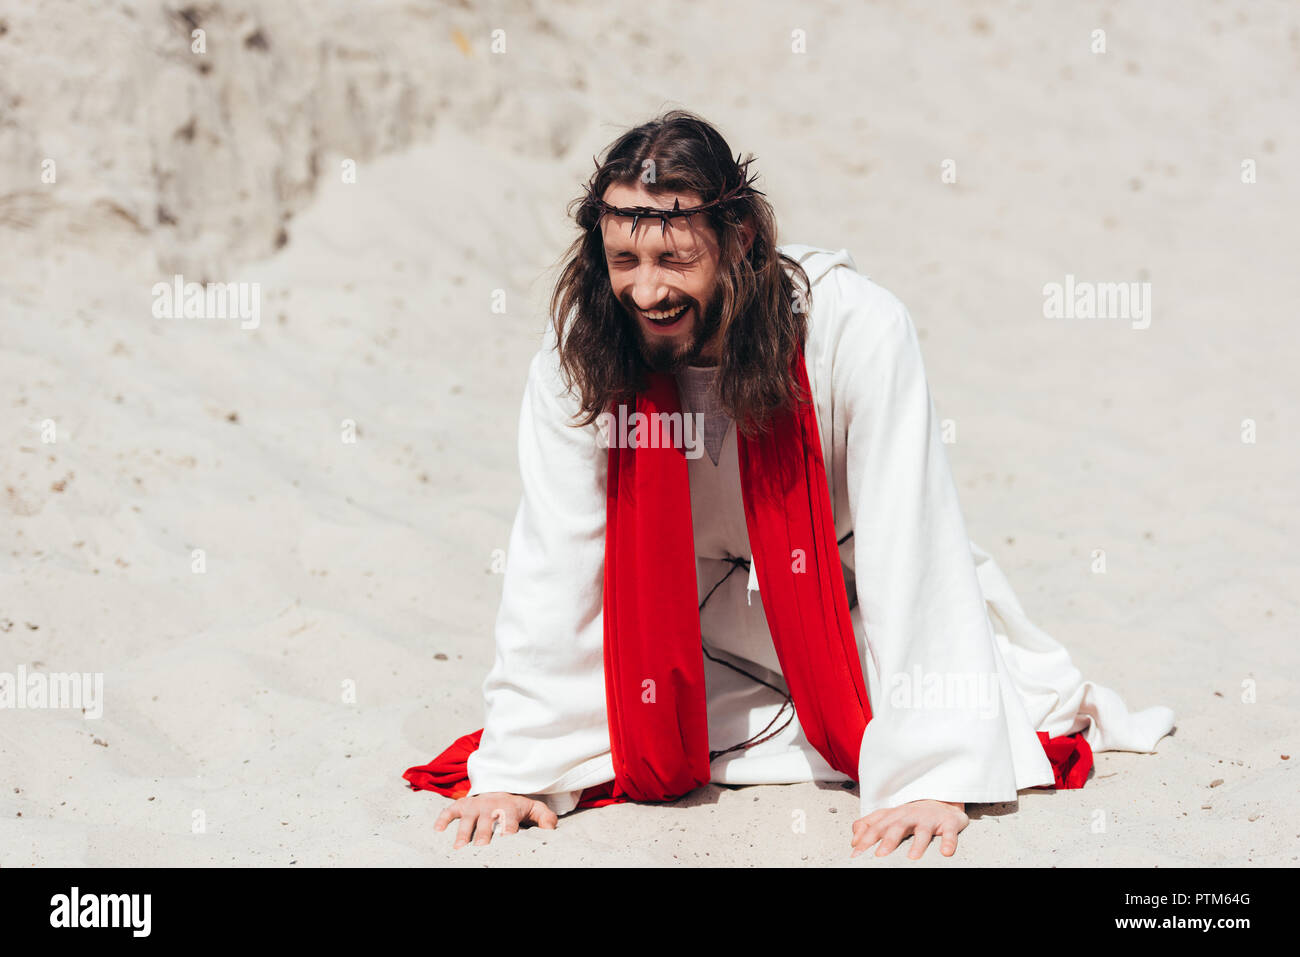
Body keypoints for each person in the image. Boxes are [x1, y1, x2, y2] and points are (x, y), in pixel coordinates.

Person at [404, 110, 1175, 859]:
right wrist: (520, 769)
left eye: (673, 260)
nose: (644, 291)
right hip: (679, 632)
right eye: (624, 261)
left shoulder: (857, 327)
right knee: (621, 727)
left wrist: (930, 771)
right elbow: (558, 553)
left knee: (962, 720)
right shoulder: (585, 342)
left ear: (737, 239)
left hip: (850, 614)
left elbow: (909, 538)